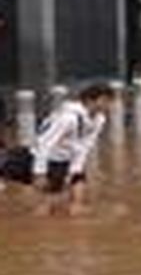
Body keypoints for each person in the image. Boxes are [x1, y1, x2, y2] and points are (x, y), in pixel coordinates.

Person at [1, 83, 115, 215]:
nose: (109, 105)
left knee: (61, 201)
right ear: (90, 100)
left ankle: (71, 209)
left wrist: (74, 171)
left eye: (110, 101)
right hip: (40, 157)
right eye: (105, 101)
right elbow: (45, 143)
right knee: (45, 206)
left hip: (64, 160)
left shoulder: (99, 119)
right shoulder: (68, 118)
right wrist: (40, 172)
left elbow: (85, 146)